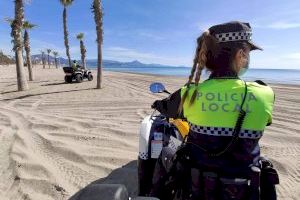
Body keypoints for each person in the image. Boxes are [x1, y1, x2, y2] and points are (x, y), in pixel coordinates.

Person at [149, 21, 279, 200]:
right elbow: (266, 121)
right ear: (241, 54)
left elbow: (166, 107)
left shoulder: (190, 95)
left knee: (166, 152)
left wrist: (157, 104)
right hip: (246, 189)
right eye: (248, 53)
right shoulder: (264, 93)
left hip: (198, 189)